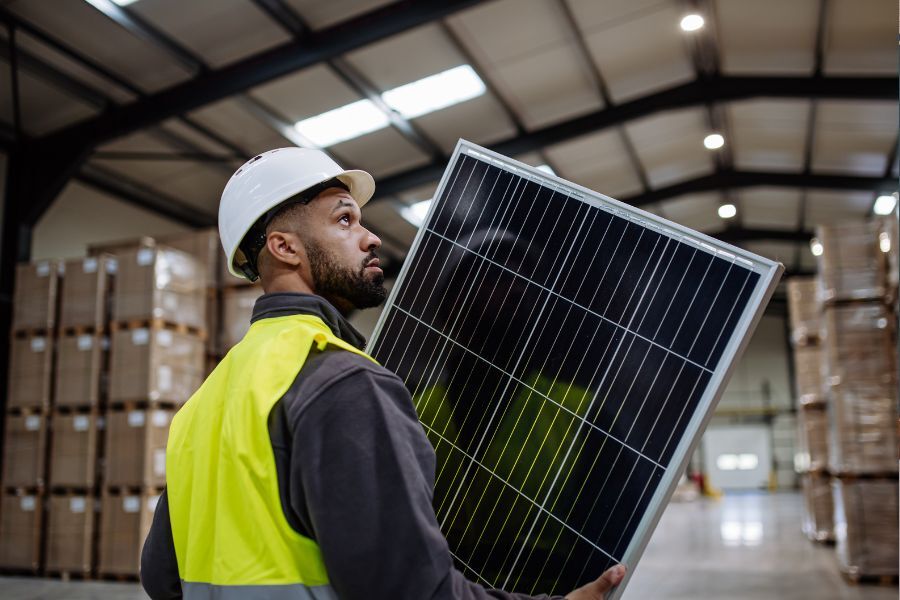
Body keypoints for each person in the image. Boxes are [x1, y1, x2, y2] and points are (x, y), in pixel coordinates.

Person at [140, 147, 626, 600]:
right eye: (345, 219)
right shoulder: (342, 381)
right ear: (285, 247)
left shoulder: (203, 403)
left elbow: (160, 576)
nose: (370, 237)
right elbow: (409, 589)